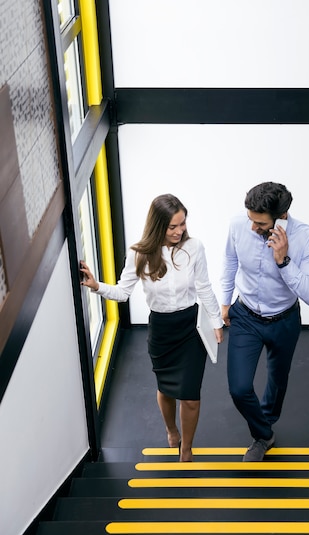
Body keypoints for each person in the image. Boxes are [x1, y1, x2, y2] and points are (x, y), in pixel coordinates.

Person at [80, 194, 223, 462]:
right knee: (166, 389)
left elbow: (204, 287)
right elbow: (123, 292)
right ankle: (171, 430)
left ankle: (187, 448)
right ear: (158, 226)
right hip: (161, 330)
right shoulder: (140, 253)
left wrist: (216, 322)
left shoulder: (194, 247)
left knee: (190, 396)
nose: (179, 231)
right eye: (172, 227)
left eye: (182, 224)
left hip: (190, 327)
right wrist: (96, 286)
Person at [221, 181, 309, 462]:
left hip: (284, 320)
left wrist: (284, 261)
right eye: (250, 219)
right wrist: (225, 301)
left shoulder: (307, 238)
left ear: (281, 217)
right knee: (239, 388)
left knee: (278, 380)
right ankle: (264, 435)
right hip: (245, 317)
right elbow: (230, 261)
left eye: (260, 223)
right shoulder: (238, 225)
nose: (253, 227)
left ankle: (264, 427)